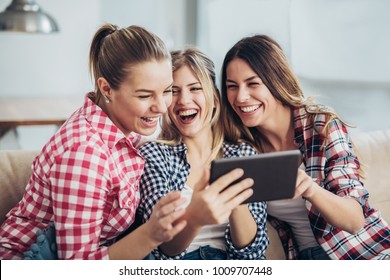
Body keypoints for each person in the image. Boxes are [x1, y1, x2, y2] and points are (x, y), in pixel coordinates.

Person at [0, 23, 187, 260]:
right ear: (106, 89)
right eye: (144, 95)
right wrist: (150, 235)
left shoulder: (123, 127)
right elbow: (77, 267)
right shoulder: (85, 153)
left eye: (167, 90)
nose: (161, 107)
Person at [220, 34, 390, 260]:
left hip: (362, 254)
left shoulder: (321, 125)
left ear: (275, 80)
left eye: (253, 83)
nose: (241, 97)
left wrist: (311, 190)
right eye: (232, 86)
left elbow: (355, 220)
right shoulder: (242, 148)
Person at [137, 48, 269, 260]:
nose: (183, 100)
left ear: (215, 99)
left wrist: (234, 199)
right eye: (174, 91)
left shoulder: (244, 154)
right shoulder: (153, 155)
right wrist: (195, 217)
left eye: (195, 88)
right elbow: (164, 248)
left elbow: (253, 251)